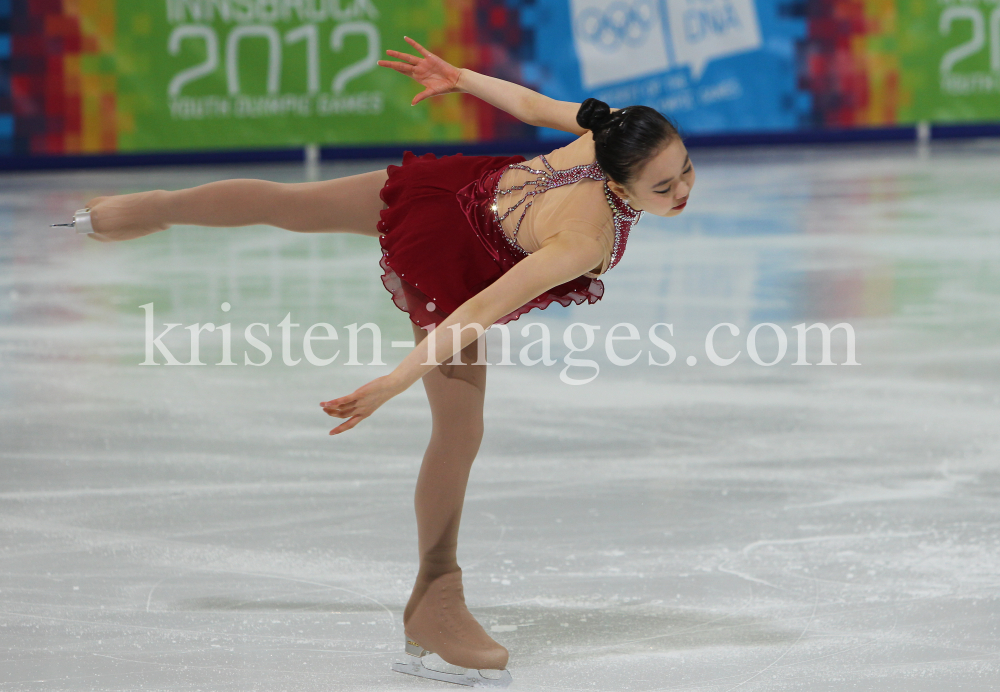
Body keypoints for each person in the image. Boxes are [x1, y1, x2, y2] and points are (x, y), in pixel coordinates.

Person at [76, 36, 695, 685]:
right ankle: (435, 594)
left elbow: (534, 105)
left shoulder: (614, 130)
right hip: (452, 259)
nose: (681, 188)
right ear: (622, 177)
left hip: (455, 192)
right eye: (663, 184)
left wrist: (461, 75)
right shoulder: (584, 237)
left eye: (684, 169)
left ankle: (143, 209)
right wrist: (396, 381)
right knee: (460, 429)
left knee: (288, 205)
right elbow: (475, 312)